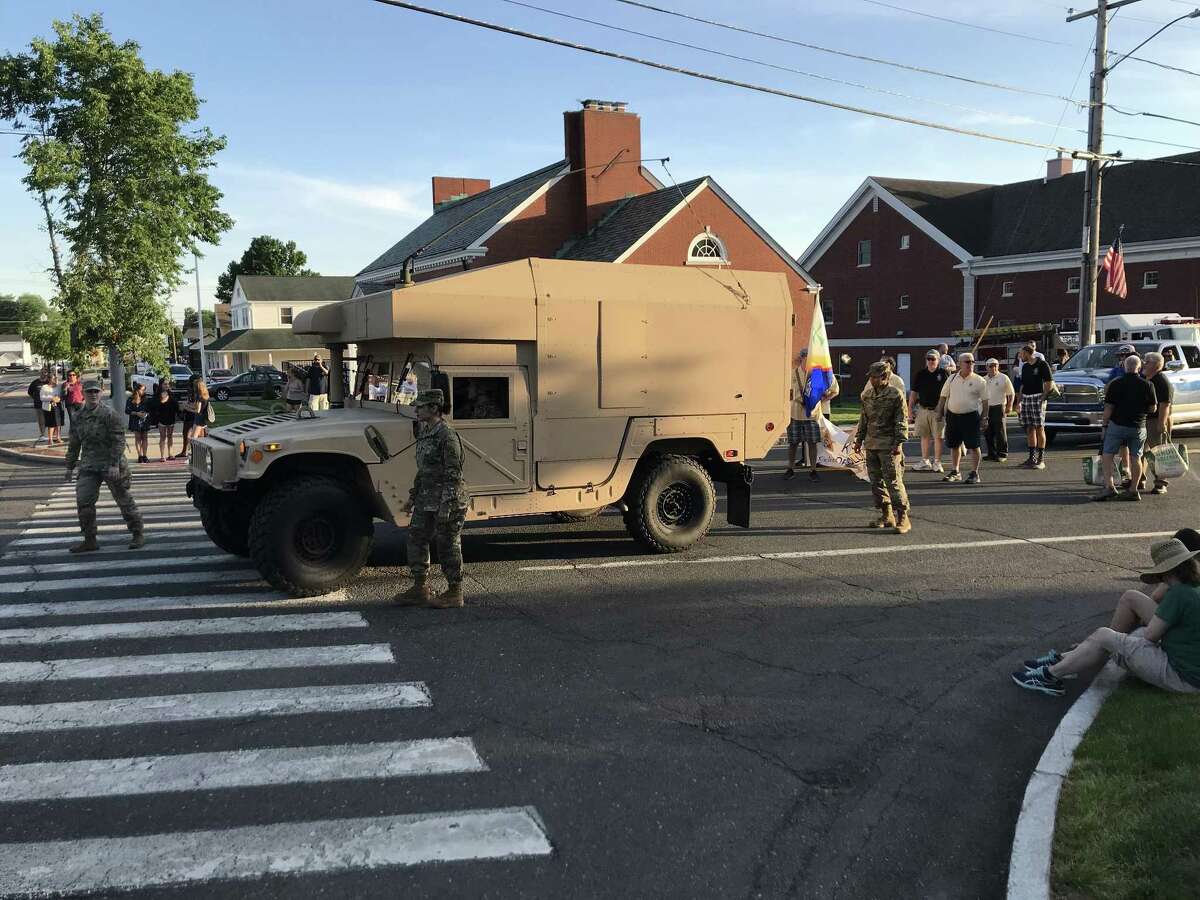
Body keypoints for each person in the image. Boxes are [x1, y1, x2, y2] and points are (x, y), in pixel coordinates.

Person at [1013, 538, 1200, 696]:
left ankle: (1050, 676)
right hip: (1190, 669)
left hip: (1182, 676)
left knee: (1104, 636)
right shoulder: (1192, 588)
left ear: (1166, 571)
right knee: (1128, 601)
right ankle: (1073, 657)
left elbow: (1151, 635)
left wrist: (1119, 644)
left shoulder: (1179, 594)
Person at [394, 388, 470, 609]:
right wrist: (412, 497)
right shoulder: (426, 432)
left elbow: (454, 473)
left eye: (421, 406)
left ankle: (455, 592)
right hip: (427, 498)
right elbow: (423, 470)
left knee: (448, 544)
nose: (416, 410)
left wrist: (447, 504)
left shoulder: (446, 435)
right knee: (416, 537)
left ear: (434, 408)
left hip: (449, 499)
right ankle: (420, 587)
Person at [64, 379, 144, 552]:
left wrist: (115, 464)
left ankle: (137, 533)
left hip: (111, 464)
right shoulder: (78, 416)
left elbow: (119, 441)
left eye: (96, 392)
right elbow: (74, 443)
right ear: (83, 394)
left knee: (124, 500)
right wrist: (69, 467)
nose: (93, 395)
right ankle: (89, 539)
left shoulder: (109, 414)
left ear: (101, 393)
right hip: (89, 465)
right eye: (89, 392)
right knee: (84, 501)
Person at [852, 361, 910, 534]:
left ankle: (902, 516)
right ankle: (886, 515)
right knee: (876, 482)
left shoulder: (895, 395)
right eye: (871, 377)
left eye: (875, 377)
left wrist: (898, 443)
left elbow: (901, 420)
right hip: (871, 444)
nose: (872, 380)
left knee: (893, 481)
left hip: (889, 445)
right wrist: (858, 440)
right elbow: (864, 420)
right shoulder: (868, 395)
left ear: (884, 377)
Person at [1092, 354, 1156, 502]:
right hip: (1138, 426)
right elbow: (1152, 408)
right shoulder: (1148, 385)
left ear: (1124, 367)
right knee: (1136, 457)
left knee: (1107, 455)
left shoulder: (1116, 384)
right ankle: (1133, 489)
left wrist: (1104, 425)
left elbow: (1108, 407)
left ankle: (1110, 487)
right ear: (1139, 368)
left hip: (1117, 425)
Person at [937, 352, 988, 484]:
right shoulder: (952, 378)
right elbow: (943, 396)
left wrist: (984, 418)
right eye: (967, 362)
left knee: (974, 445)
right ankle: (955, 471)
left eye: (972, 362)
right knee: (954, 445)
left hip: (970, 417)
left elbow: (985, 402)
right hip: (953, 416)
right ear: (959, 364)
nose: (970, 364)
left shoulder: (979, 380)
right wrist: (939, 412)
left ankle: (974, 473)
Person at [786, 349, 835, 482]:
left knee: (812, 443)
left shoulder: (818, 374)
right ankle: (790, 468)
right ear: (801, 358)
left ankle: (813, 470)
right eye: (806, 358)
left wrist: (822, 399)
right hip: (795, 413)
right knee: (793, 443)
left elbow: (834, 389)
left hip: (812, 415)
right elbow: (786, 392)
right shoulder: (792, 374)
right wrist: (797, 399)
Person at [908, 350, 948, 473]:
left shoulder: (943, 373)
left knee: (938, 437)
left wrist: (942, 409)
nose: (931, 361)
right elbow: (914, 393)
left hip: (937, 410)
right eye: (929, 359)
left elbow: (947, 393)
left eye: (933, 359)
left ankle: (937, 462)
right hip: (923, 409)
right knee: (924, 436)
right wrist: (910, 409)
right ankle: (925, 461)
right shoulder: (920, 374)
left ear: (938, 360)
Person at [1141, 351, 1173, 496]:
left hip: (1155, 421)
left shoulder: (1161, 381)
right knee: (1141, 452)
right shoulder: (1144, 378)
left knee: (1159, 452)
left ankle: (1161, 483)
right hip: (1142, 421)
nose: (1144, 363)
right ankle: (1140, 479)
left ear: (1155, 364)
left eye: (1147, 361)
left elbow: (1165, 404)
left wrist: (1161, 424)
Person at [1016, 344, 1054, 469]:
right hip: (1026, 399)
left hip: (1038, 397)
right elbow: (1022, 386)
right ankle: (1031, 458)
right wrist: (1019, 402)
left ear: (1027, 353)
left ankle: (1041, 459)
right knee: (1029, 428)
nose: (1020, 356)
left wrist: (1042, 399)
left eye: (1021, 354)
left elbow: (1049, 383)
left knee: (1039, 428)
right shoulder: (1025, 367)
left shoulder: (1042, 364)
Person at [982, 358, 1015, 462]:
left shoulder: (1003, 377)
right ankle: (991, 453)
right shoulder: (983, 379)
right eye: (991, 366)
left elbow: (1011, 393)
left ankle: (1002, 453)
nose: (993, 368)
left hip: (999, 406)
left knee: (999, 431)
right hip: (987, 408)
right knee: (988, 432)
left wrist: (1009, 406)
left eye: (995, 365)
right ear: (986, 367)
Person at [149, 379, 179, 462]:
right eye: (165, 384)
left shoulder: (171, 394)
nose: (167, 386)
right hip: (161, 418)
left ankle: (171, 454)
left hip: (171, 418)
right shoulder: (157, 395)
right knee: (163, 437)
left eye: (168, 384)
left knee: (170, 436)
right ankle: (162, 455)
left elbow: (176, 405)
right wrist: (162, 401)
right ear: (161, 385)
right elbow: (153, 406)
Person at [125, 382, 152, 463]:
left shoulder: (146, 399)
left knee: (145, 438)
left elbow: (150, 409)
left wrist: (146, 414)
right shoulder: (130, 399)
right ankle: (139, 456)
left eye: (144, 390)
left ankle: (145, 455)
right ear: (137, 390)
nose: (144, 392)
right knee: (137, 438)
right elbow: (127, 411)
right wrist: (137, 413)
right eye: (142, 390)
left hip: (145, 420)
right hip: (135, 420)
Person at [176, 374, 198, 459]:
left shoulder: (198, 390)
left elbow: (196, 405)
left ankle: (192, 451)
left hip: (194, 414)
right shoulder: (191, 390)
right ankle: (184, 451)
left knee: (194, 435)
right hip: (189, 414)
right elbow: (189, 400)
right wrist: (186, 404)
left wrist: (185, 406)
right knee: (185, 433)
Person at [27, 368, 48, 444]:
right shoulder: (35, 382)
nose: (43, 374)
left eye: (45, 372)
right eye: (42, 372)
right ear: (40, 373)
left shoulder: (48, 382)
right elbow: (29, 392)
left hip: (48, 404)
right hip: (38, 404)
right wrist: (36, 398)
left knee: (49, 420)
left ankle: (51, 435)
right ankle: (42, 435)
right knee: (41, 420)